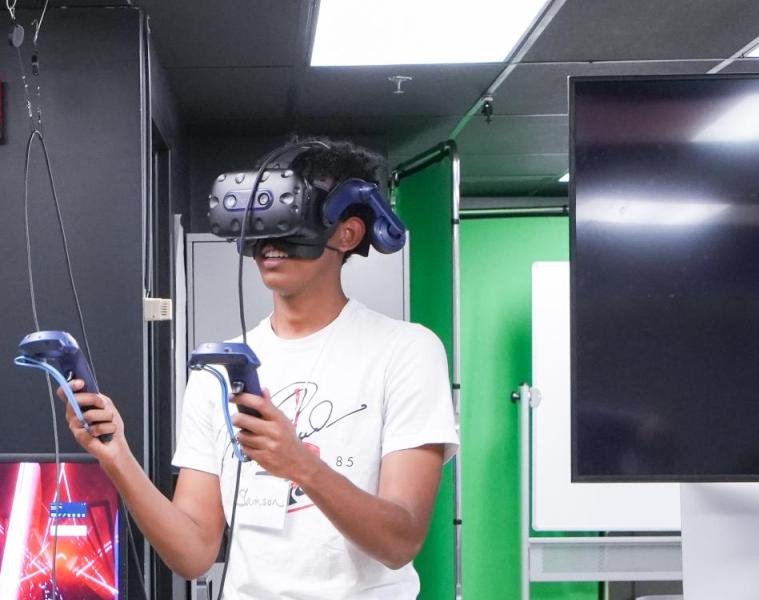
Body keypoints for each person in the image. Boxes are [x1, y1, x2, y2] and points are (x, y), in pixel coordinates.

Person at [56, 140, 459, 599]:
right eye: (260, 226)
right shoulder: (219, 368)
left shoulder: (405, 351)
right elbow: (194, 553)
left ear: (346, 234)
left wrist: (300, 464)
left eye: (289, 224)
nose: (270, 244)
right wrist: (118, 458)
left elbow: (399, 541)